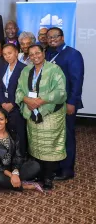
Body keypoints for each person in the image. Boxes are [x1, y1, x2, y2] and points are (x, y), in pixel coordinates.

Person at [16, 45, 67, 190]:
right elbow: (19, 91)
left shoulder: (54, 69)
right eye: (31, 54)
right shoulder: (26, 70)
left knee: (49, 148)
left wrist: (41, 100)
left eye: (37, 53)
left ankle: (48, 177)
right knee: (36, 146)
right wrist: (28, 100)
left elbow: (61, 92)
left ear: (43, 53)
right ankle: (38, 174)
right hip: (32, 114)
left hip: (50, 115)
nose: (35, 56)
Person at [45, 27, 84, 181]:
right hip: (51, 104)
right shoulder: (47, 53)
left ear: (62, 37)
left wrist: (72, 102)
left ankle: (67, 169)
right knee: (55, 135)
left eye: (55, 36)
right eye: (49, 37)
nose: (52, 39)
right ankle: (56, 166)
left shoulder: (73, 54)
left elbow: (77, 80)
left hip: (66, 104)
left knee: (67, 135)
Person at [0, 108, 42, 192]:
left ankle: (12, 182)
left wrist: (15, 172)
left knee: (35, 166)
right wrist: (11, 175)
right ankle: (23, 186)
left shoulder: (13, 134)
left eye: (1, 119)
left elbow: (18, 156)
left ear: (6, 120)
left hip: (13, 168)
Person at [0, 44, 27, 155]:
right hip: (4, 106)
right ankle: (7, 156)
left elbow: (24, 89)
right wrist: (3, 103)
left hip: (17, 107)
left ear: (16, 53)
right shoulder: (3, 67)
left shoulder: (23, 68)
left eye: (10, 53)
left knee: (19, 134)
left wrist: (13, 103)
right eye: (4, 54)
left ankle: (21, 157)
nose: (7, 56)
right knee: (6, 133)